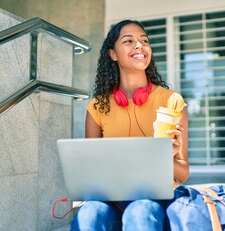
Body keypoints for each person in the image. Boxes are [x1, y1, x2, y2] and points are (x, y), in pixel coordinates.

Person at [71, 20, 189, 231]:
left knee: (140, 211)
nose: (139, 45)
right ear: (113, 54)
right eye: (129, 41)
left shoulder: (172, 101)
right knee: (89, 214)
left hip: (154, 198)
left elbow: (183, 174)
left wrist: (165, 156)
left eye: (144, 41)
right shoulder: (98, 106)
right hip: (110, 197)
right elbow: (90, 171)